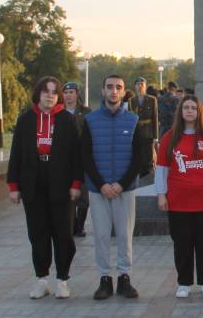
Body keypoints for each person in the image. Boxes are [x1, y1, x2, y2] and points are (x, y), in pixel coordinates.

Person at [6, 76, 84, 300]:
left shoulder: (67, 121)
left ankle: (62, 280)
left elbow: (76, 156)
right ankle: (42, 279)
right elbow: (16, 155)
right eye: (45, 91)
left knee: (63, 234)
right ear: (38, 94)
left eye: (54, 92)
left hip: (61, 183)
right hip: (33, 183)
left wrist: (76, 184)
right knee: (38, 233)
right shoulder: (26, 120)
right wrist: (14, 186)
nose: (50, 95)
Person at [156, 95, 203, 297]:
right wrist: (161, 195)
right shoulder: (169, 137)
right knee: (182, 244)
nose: (189, 111)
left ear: (200, 112)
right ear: (180, 112)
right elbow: (162, 168)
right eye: (186, 107)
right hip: (179, 203)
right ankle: (184, 283)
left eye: (193, 108)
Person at [81, 75, 147, 301]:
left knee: (124, 235)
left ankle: (124, 277)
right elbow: (85, 155)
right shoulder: (90, 121)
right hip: (98, 189)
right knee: (100, 235)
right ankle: (104, 279)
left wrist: (121, 184)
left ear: (123, 91)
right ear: (103, 91)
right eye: (109, 87)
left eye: (118, 87)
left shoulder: (133, 120)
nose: (113, 91)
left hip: (124, 189)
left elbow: (139, 156)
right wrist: (101, 184)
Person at [61, 81, 91, 236]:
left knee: (84, 196)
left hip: (83, 159)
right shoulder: (58, 112)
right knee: (69, 194)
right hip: (65, 161)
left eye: (71, 92)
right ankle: (71, 225)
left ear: (77, 94)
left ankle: (80, 226)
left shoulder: (86, 113)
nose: (68, 95)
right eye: (65, 93)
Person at [128, 77, 159, 182]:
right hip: (136, 133)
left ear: (145, 85)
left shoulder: (151, 99)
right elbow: (129, 119)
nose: (140, 85)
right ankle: (139, 178)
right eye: (137, 83)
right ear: (135, 86)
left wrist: (155, 136)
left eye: (142, 83)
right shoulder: (131, 101)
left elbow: (155, 118)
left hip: (148, 133)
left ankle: (149, 178)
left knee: (148, 159)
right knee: (138, 157)